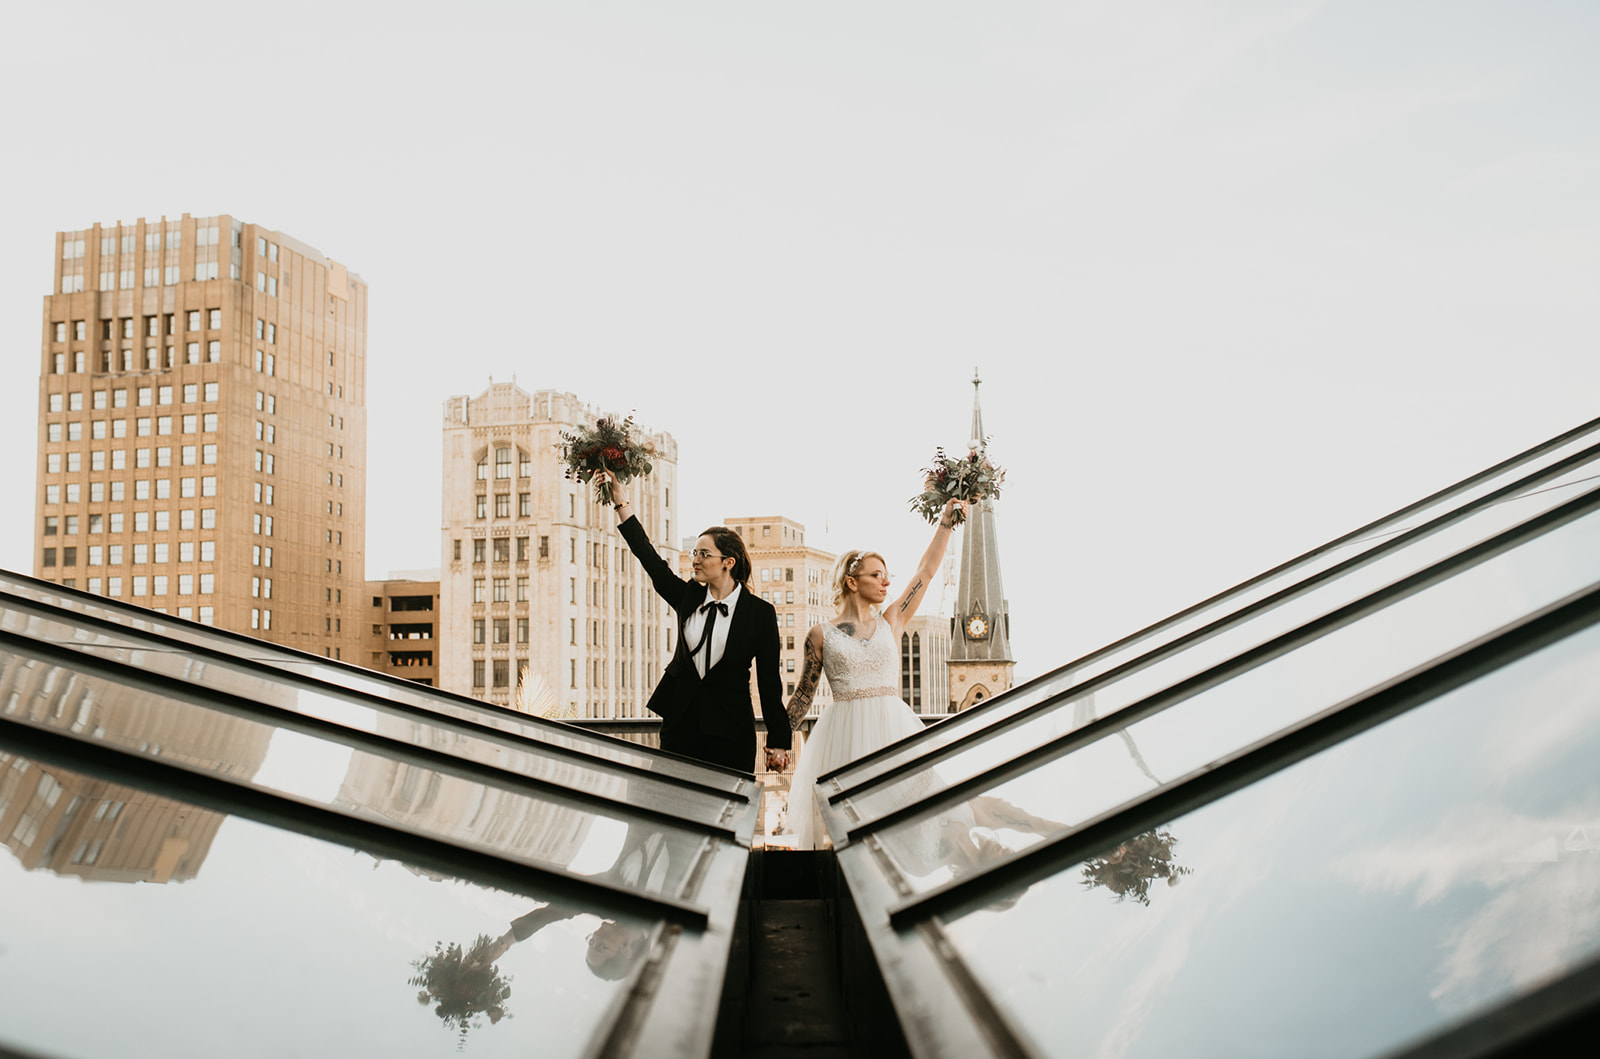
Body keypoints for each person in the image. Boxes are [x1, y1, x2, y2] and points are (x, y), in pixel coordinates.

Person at [783, 498, 962, 848]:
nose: (885, 583)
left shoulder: (892, 621)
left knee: (904, 818)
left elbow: (925, 572)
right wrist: (778, 740)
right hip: (842, 737)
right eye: (876, 575)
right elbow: (803, 695)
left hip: (892, 730)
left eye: (887, 575)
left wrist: (946, 522)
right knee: (848, 828)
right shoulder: (820, 635)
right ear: (852, 582)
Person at [599, 470, 792, 774]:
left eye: (705, 554)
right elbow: (650, 559)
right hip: (680, 730)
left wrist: (779, 741)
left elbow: (770, 683)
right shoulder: (687, 596)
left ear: (728, 562)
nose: (696, 560)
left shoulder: (760, 613)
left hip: (731, 734)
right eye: (694, 553)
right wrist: (621, 502)